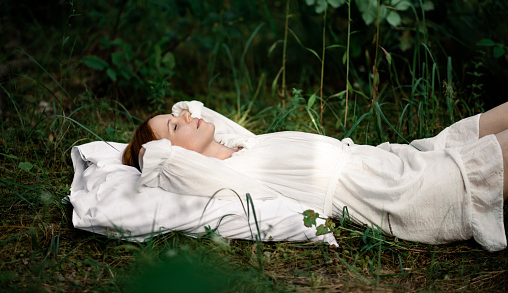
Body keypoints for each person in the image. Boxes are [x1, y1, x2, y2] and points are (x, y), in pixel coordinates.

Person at [122, 100, 508, 251]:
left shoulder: (241, 143)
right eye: (175, 126)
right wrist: (148, 152)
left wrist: (182, 126)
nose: (186, 114)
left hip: (392, 162)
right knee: (477, 163)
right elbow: (161, 169)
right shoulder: (225, 180)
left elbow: (203, 118)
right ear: (171, 159)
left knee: (481, 128)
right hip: (395, 192)